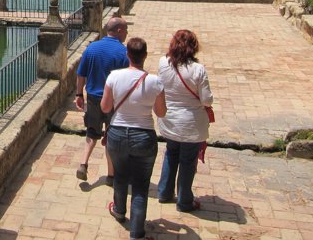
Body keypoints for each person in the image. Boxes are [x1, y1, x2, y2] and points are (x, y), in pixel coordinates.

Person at [101, 37, 166, 240]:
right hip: (143, 135)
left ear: (127, 55)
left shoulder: (114, 77)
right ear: (145, 56)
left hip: (118, 133)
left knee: (120, 175)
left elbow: (105, 107)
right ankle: (137, 233)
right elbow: (161, 113)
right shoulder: (155, 82)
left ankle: (119, 211)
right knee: (140, 185)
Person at [156, 29, 213, 212]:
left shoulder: (163, 63)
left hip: (169, 119)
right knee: (188, 161)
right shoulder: (198, 70)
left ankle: (164, 192)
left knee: (171, 154)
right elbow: (207, 100)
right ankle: (184, 200)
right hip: (190, 123)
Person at [75, 17, 129, 186]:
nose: (127, 34)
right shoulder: (123, 52)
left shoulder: (91, 48)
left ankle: (83, 164)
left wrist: (78, 95)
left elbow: (80, 74)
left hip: (92, 98)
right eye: (126, 30)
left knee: (92, 132)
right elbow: (127, 80)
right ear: (119, 31)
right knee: (111, 136)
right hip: (113, 101)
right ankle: (111, 175)